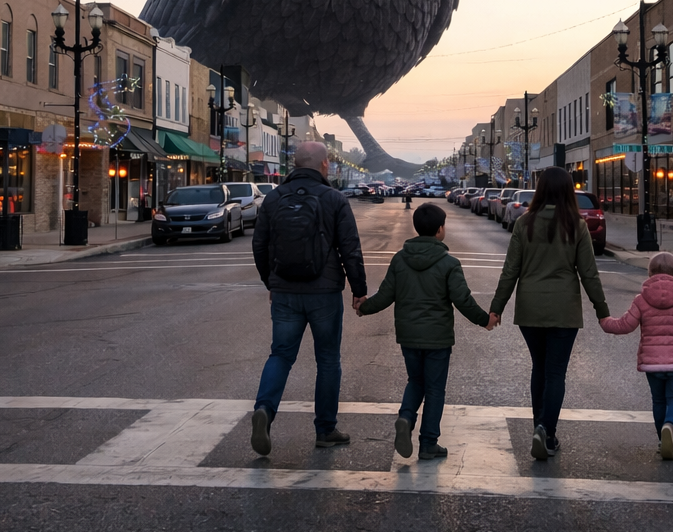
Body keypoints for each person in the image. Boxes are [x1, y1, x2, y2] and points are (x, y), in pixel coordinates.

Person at [250, 140, 367, 454]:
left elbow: (259, 246)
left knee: (280, 355)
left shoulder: (274, 199)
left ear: (295, 164)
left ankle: (264, 410)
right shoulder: (334, 199)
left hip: (285, 291)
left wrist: (271, 282)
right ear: (324, 164)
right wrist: (359, 291)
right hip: (324, 292)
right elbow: (350, 249)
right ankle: (325, 430)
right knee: (327, 360)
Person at [356, 203, 497, 460]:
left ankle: (406, 417)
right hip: (438, 338)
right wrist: (484, 320)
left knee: (416, 381)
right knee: (434, 389)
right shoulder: (449, 263)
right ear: (440, 229)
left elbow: (386, 294)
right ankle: (428, 443)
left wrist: (364, 308)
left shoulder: (400, 259)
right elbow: (462, 300)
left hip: (408, 336)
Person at [488, 166, 608, 460]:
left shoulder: (524, 223)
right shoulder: (576, 225)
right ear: (568, 191)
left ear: (540, 190)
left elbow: (510, 271)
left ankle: (538, 428)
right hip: (564, 309)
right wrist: (602, 310)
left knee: (539, 369)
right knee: (555, 372)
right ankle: (546, 431)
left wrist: (497, 308)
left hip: (530, 309)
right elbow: (589, 273)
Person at [599, 251, 673, 460]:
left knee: (658, 401)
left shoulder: (641, 300)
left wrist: (605, 321)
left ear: (650, 273)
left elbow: (625, 325)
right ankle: (670, 426)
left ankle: (662, 440)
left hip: (652, 364)